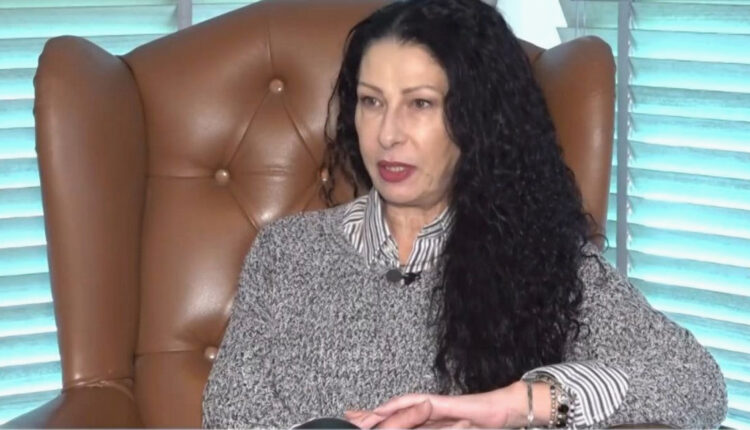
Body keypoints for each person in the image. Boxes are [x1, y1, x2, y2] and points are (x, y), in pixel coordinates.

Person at [202, 0, 727, 428]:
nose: (388, 134)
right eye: (371, 101)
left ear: (475, 120)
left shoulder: (540, 256)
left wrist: (513, 405)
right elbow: (229, 413)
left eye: (421, 104)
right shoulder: (286, 252)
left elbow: (694, 381)